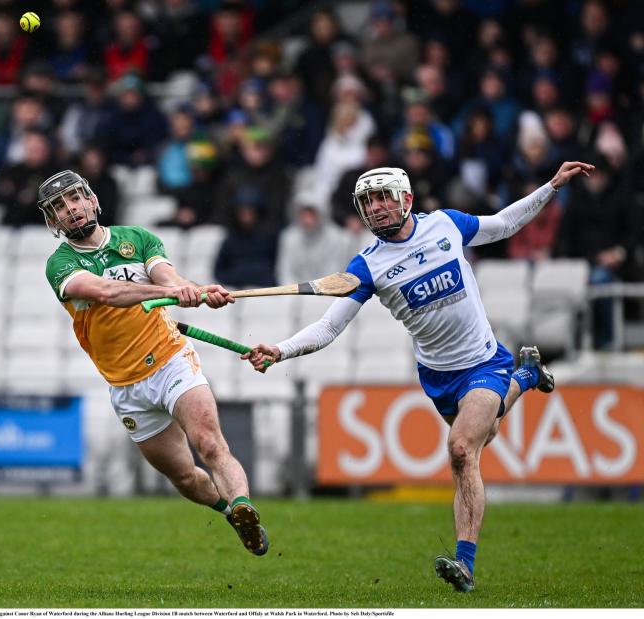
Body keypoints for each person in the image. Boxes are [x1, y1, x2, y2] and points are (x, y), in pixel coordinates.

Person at [243, 161, 594, 590]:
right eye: (367, 201)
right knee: (489, 435)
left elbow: (503, 224)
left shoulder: (446, 224)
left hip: (483, 361)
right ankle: (527, 375)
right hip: (437, 376)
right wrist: (280, 350)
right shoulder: (366, 266)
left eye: (383, 197)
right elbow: (329, 327)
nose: (375, 208)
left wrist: (551, 186)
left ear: (406, 198)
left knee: (463, 449)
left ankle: (464, 563)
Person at [39, 170, 268, 557]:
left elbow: (169, 276)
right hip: (127, 386)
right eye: (60, 207)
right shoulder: (59, 265)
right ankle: (230, 512)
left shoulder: (138, 239)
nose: (71, 209)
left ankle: (245, 505)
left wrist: (193, 290)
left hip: (171, 360)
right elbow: (108, 292)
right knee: (182, 476)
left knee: (210, 444)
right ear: (53, 222)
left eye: (76, 199)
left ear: (93, 200)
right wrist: (170, 292)